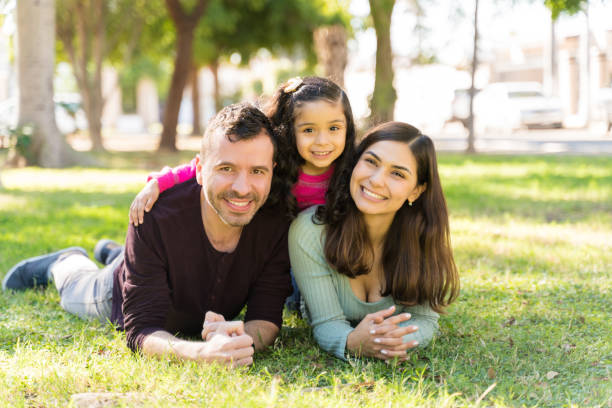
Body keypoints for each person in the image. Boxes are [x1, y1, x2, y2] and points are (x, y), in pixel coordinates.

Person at [2, 103, 292, 367]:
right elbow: (140, 330)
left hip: (152, 267)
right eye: (226, 169)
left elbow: (265, 317)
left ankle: (117, 252)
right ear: (200, 170)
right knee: (77, 289)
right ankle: (65, 261)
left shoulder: (275, 222)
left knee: (144, 261)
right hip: (112, 292)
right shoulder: (156, 215)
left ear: (271, 172)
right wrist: (201, 354)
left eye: (257, 171)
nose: (242, 188)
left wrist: (241, 341)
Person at [127, 76, 357, 309]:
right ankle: (115, 254)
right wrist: (159, 182)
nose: (322, 141)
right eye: (308, 130)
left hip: (325, 257)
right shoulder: (276, 163)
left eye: (334, 128)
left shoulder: (352, 170)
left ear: (347, 128)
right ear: (289, 129)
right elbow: (207, 166)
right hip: (287, 262)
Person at [288, 122, 460, 361]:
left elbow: (425, 320)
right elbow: (327, 323)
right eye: (371, 162)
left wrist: (392, 340)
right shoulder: (310, 231)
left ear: (416, 191)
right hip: (299, 288)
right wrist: (352, 342)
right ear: (355, 163)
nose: (377, 180)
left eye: (397, 174)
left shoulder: (423, 236)